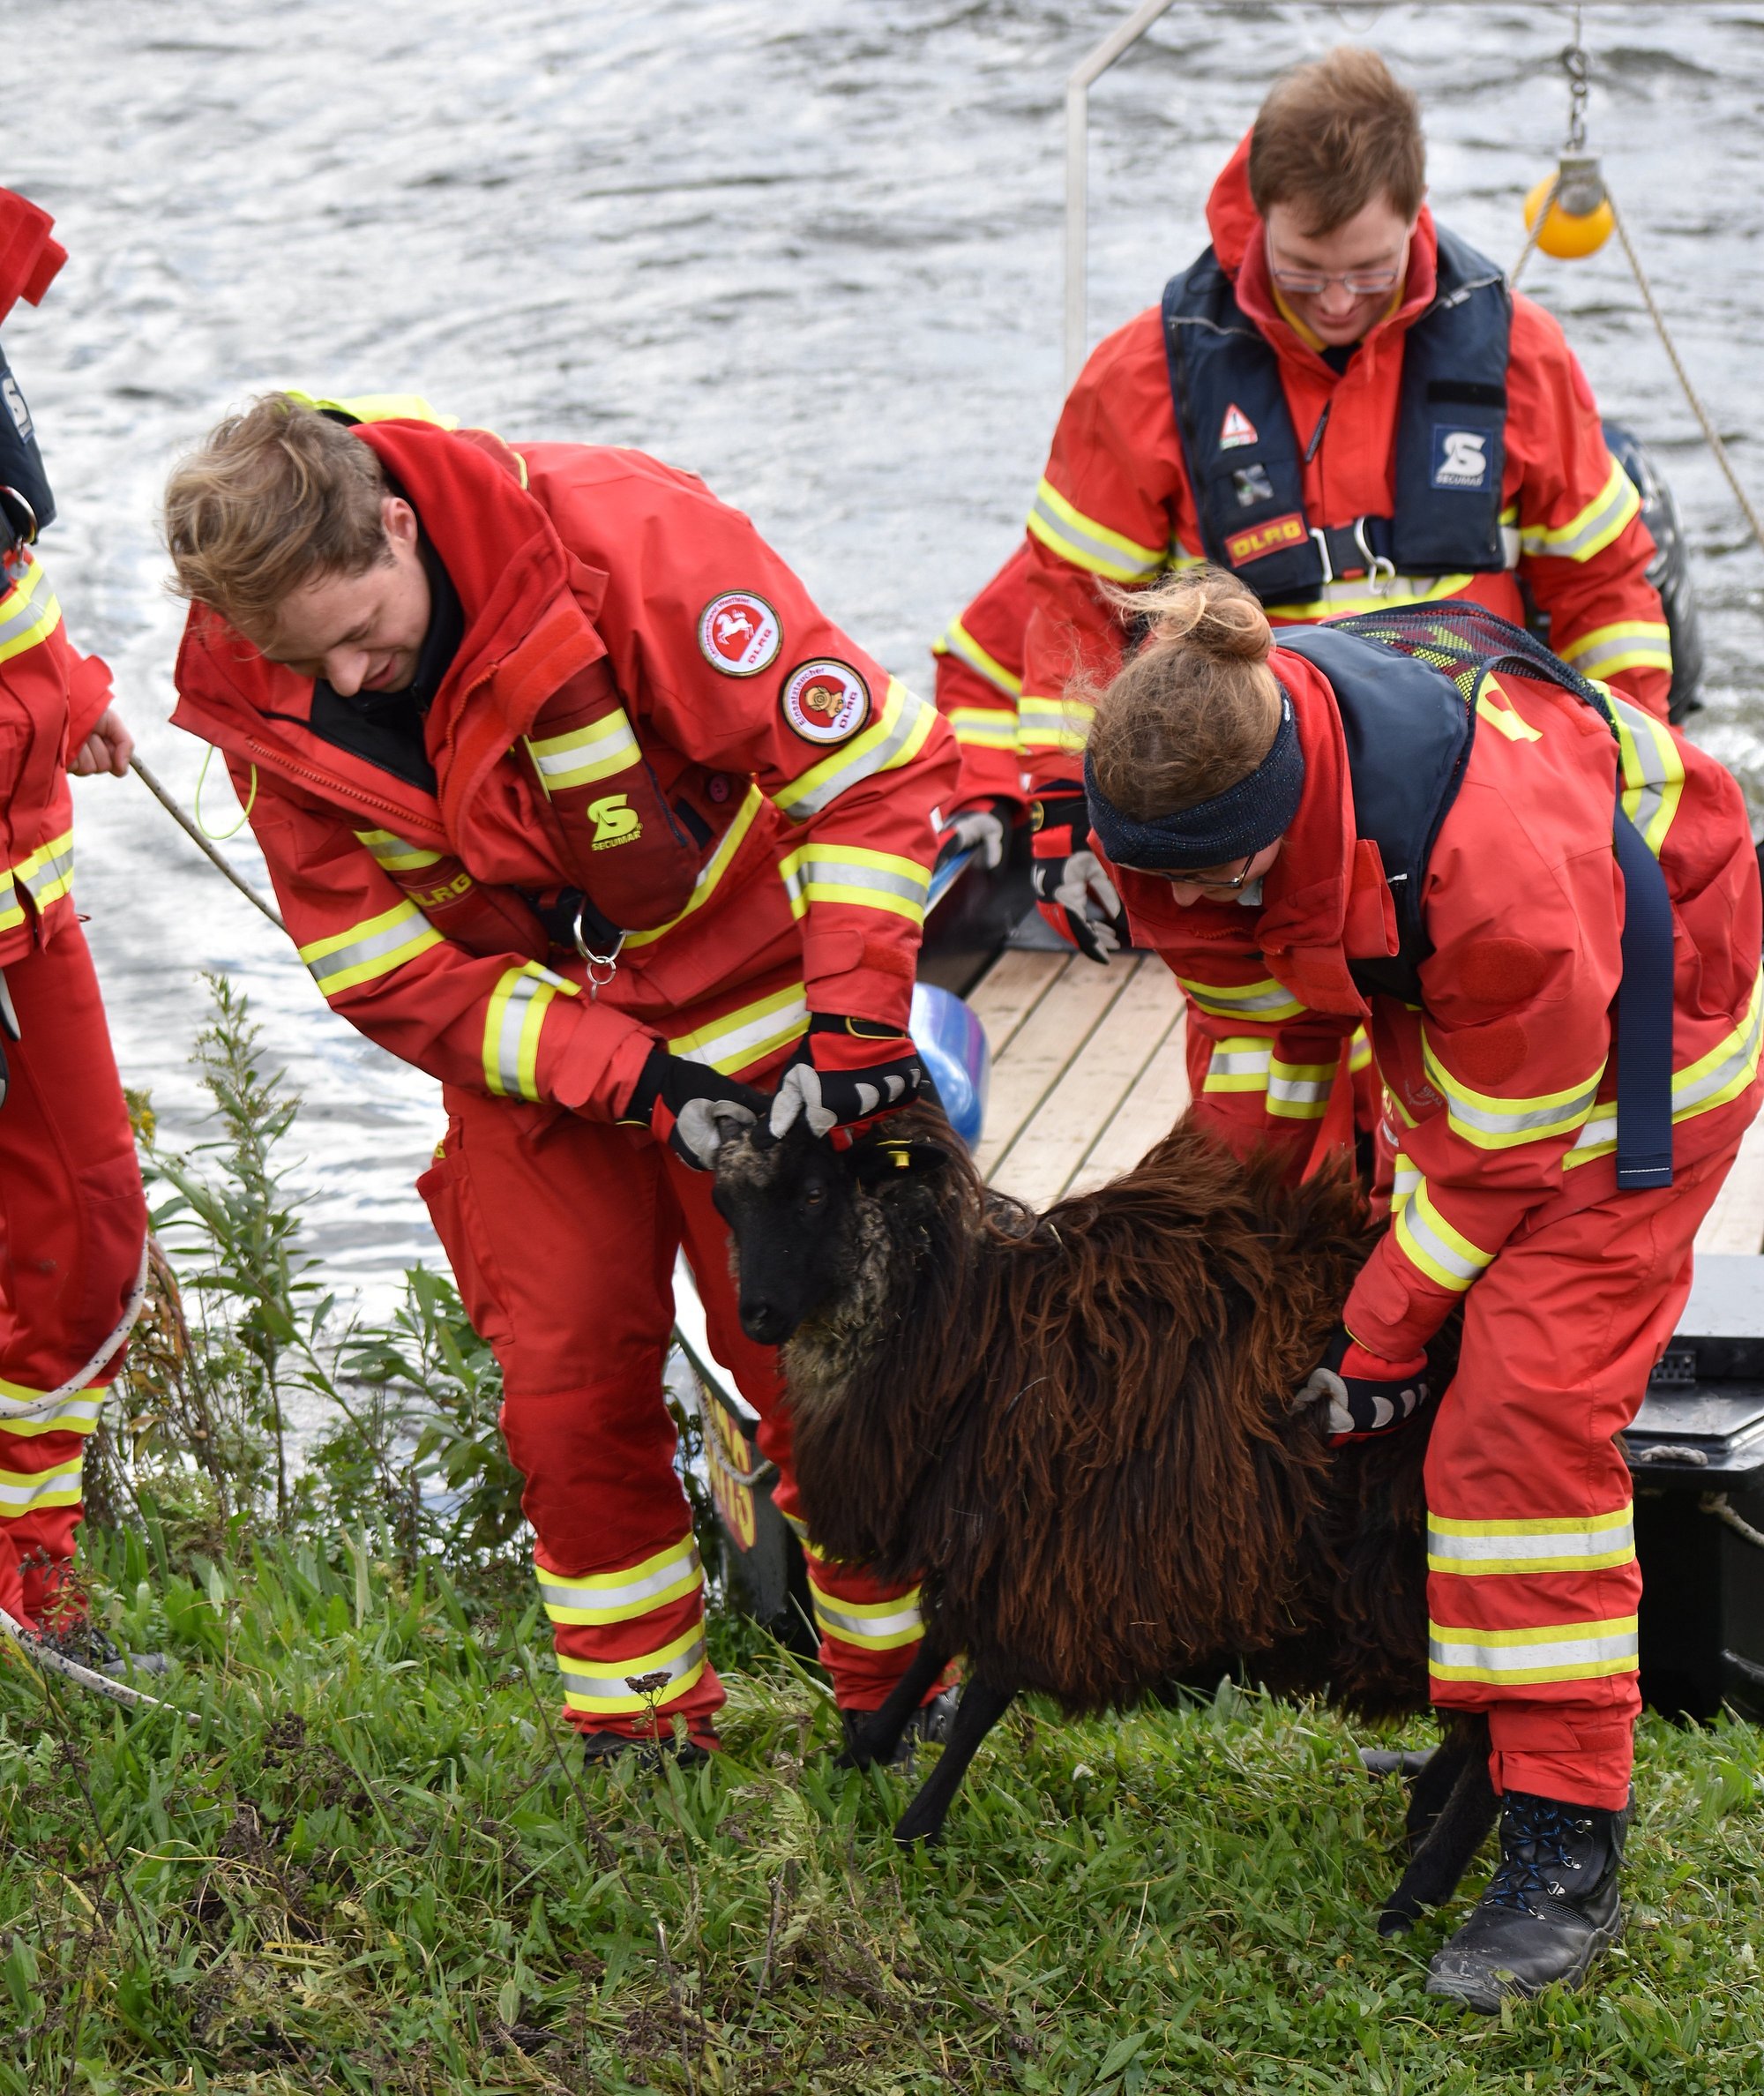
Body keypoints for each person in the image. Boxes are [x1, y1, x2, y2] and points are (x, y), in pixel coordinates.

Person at [163, 395, 960, 1758]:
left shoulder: (632, 539)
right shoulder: (263, 703)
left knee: (826, 1372)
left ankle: (901, 1699)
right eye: (316, 660)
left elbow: (871, 776)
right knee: (566, 1387)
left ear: (398, 526)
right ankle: (640, 1731)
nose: (353, 679)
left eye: (364, 633)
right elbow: (385, 976)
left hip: (762, 1008)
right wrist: (640, 1082)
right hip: (535, 1060)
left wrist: (858, 1030)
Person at [1076, 562, 1760, 2010]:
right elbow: (1266, 1041)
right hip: (1480, 1050)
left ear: (1282, 811)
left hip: (1639, 1051)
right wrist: (1202, 1237)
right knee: (1429, 1359)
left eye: (1213, 872)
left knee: (1519, 1422)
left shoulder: (1484, 861)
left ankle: (1565, 1841)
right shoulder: (1201, 797)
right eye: (1166, 875)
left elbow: (1507, 1150)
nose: (1186, 897)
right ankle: (1491, 1727)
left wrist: (1382, 1330)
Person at [1015, 46, 1675, 996]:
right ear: (1257, 221)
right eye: (1301, 271)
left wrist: (1625, 768)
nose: (1332, 304)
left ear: (1416, 213)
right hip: (1250, 802)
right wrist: (1063, 793)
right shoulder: (1138, 377)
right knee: (1262, 1087)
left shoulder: (1519, 356)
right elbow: (1069, 608)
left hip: (1476, 785)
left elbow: (1601, 589)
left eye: (1368, 274)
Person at [0, 189, 150, 1663]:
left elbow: (6, 577)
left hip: (29, 930)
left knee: (91, 1242)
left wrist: (73, 690)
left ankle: (29, 1583)